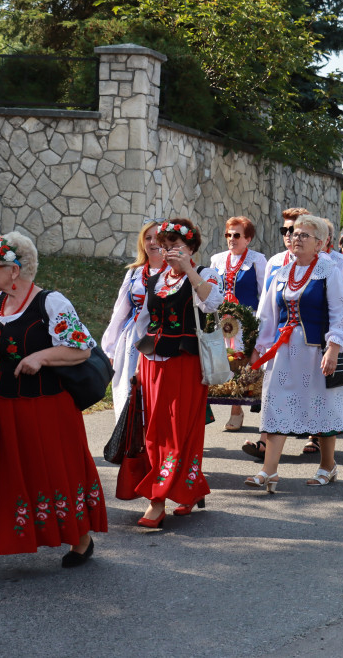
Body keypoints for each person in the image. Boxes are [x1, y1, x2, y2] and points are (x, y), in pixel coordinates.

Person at [0, 232, 106, 579]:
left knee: (50, 476)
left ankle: (80, 538)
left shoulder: (51, 303)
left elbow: (80, 349)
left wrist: (41, 357)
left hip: (45, 410)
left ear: (15, 270)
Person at [246, 215, 343, 491]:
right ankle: (269, 471)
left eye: (304, 235)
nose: (295, 238)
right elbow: (267, 316)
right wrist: (258, 349)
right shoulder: (281, 273)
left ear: (319, 243)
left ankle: (328, 465)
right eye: (293, 233)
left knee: (321, 405)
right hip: (284, 351)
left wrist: (333, 349)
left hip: (316, 351)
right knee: (277, 403)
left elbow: (340, 313)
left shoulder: (329, 272)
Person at [131, 219, 223, 527]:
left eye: (176, 246)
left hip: (185, 363)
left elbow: (213, 304)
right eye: (166, 245)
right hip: (153, 362)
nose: (170, 251)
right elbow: (144, 320)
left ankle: (158, 499)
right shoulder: (157, 278)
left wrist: (191, 270)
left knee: (180, 429)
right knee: (154, 428)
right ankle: (187, 489)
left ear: (192, 248)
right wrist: (134, 362)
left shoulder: (205, 274)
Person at [241, 207, 309, 460]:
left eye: (295, 230)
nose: (290, 235)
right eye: (285, 230)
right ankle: (264, 444)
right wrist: (259, 344)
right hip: (277, 339)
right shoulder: (275, 262)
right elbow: (265, 306)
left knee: (308, 393)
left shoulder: (322, 263)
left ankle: (320, 445)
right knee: (272, 393)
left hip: (307, 339)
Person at [102, 221, 166, 422]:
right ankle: (130, 435)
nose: (153, 242)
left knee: (155, 390)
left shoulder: (174, 271)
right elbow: (120, 311)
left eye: (158, 238)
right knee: (129, 386)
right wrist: (110, 347)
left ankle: (156, 436)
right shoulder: (134, 273)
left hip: (162, 336)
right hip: (133, 337)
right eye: (148, 238)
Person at [210, 216, 267, 430]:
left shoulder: (257, 260)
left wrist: (260, 325)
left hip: (247, 322)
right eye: (228, 234)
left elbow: (264, 294)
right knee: (225, 364)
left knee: (242, 364)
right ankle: (231, 404)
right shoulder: (217, 260)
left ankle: (237, 409)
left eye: (236, 235)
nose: (231, 239)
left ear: (248, 238)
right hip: (223, 322)